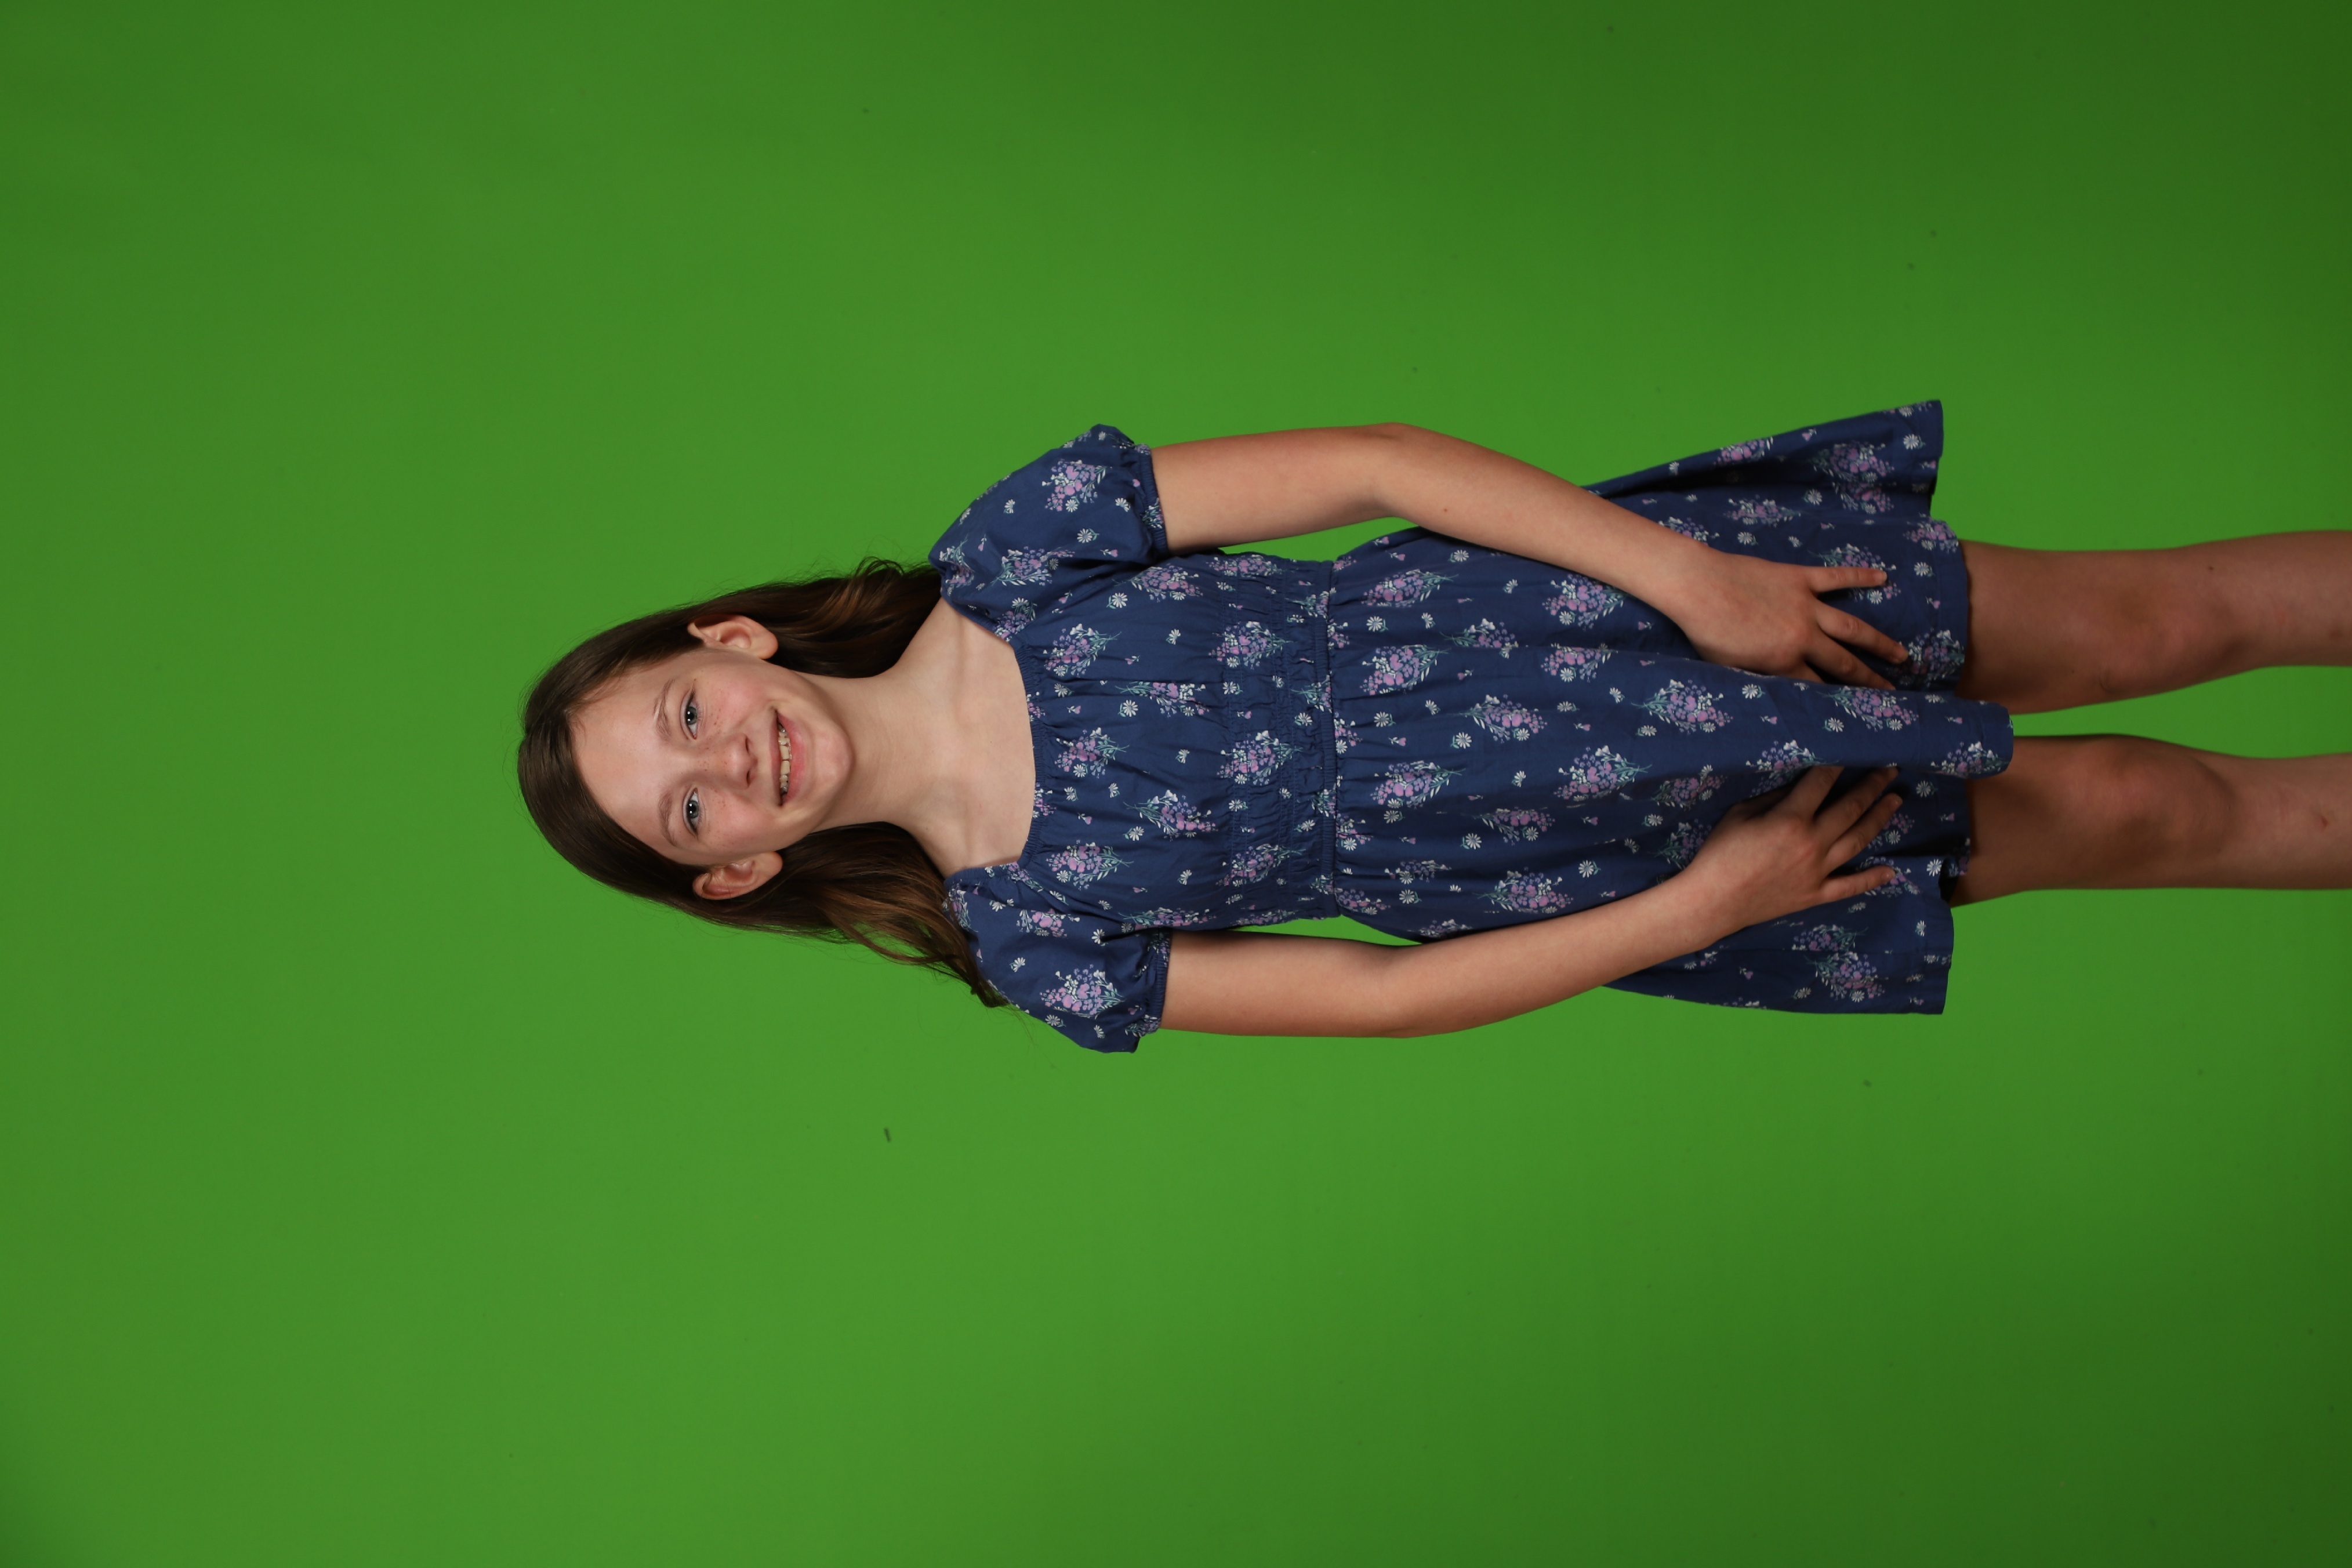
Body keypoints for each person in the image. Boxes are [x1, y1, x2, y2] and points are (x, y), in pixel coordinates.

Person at [517, 405, 2351, 1048]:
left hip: (1626, 610)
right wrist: (1703, 908)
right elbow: (1373, 998)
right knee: (2144, 810)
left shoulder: (1022, 545)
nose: (724, 760)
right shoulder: (1036, 936)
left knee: (2155, 625)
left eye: (688, 714)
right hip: (1641, 853)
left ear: (733, 641)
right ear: (736, 869)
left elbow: (1376, 465)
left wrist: (1692, 579)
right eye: (690, 810)